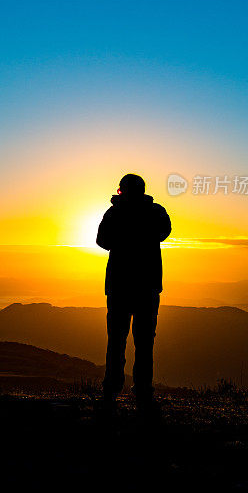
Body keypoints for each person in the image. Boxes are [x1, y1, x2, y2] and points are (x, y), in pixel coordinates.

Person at [96, 173, 171, 412]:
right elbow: (164, 232)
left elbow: (102, 241)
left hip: (119, 286)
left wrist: (121, 220)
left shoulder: (114, 213)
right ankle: (142, 391)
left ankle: (111, 389)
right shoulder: (156, 211)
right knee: (145, 341)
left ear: (123, 190)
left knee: (116, 340)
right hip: (147, 286)